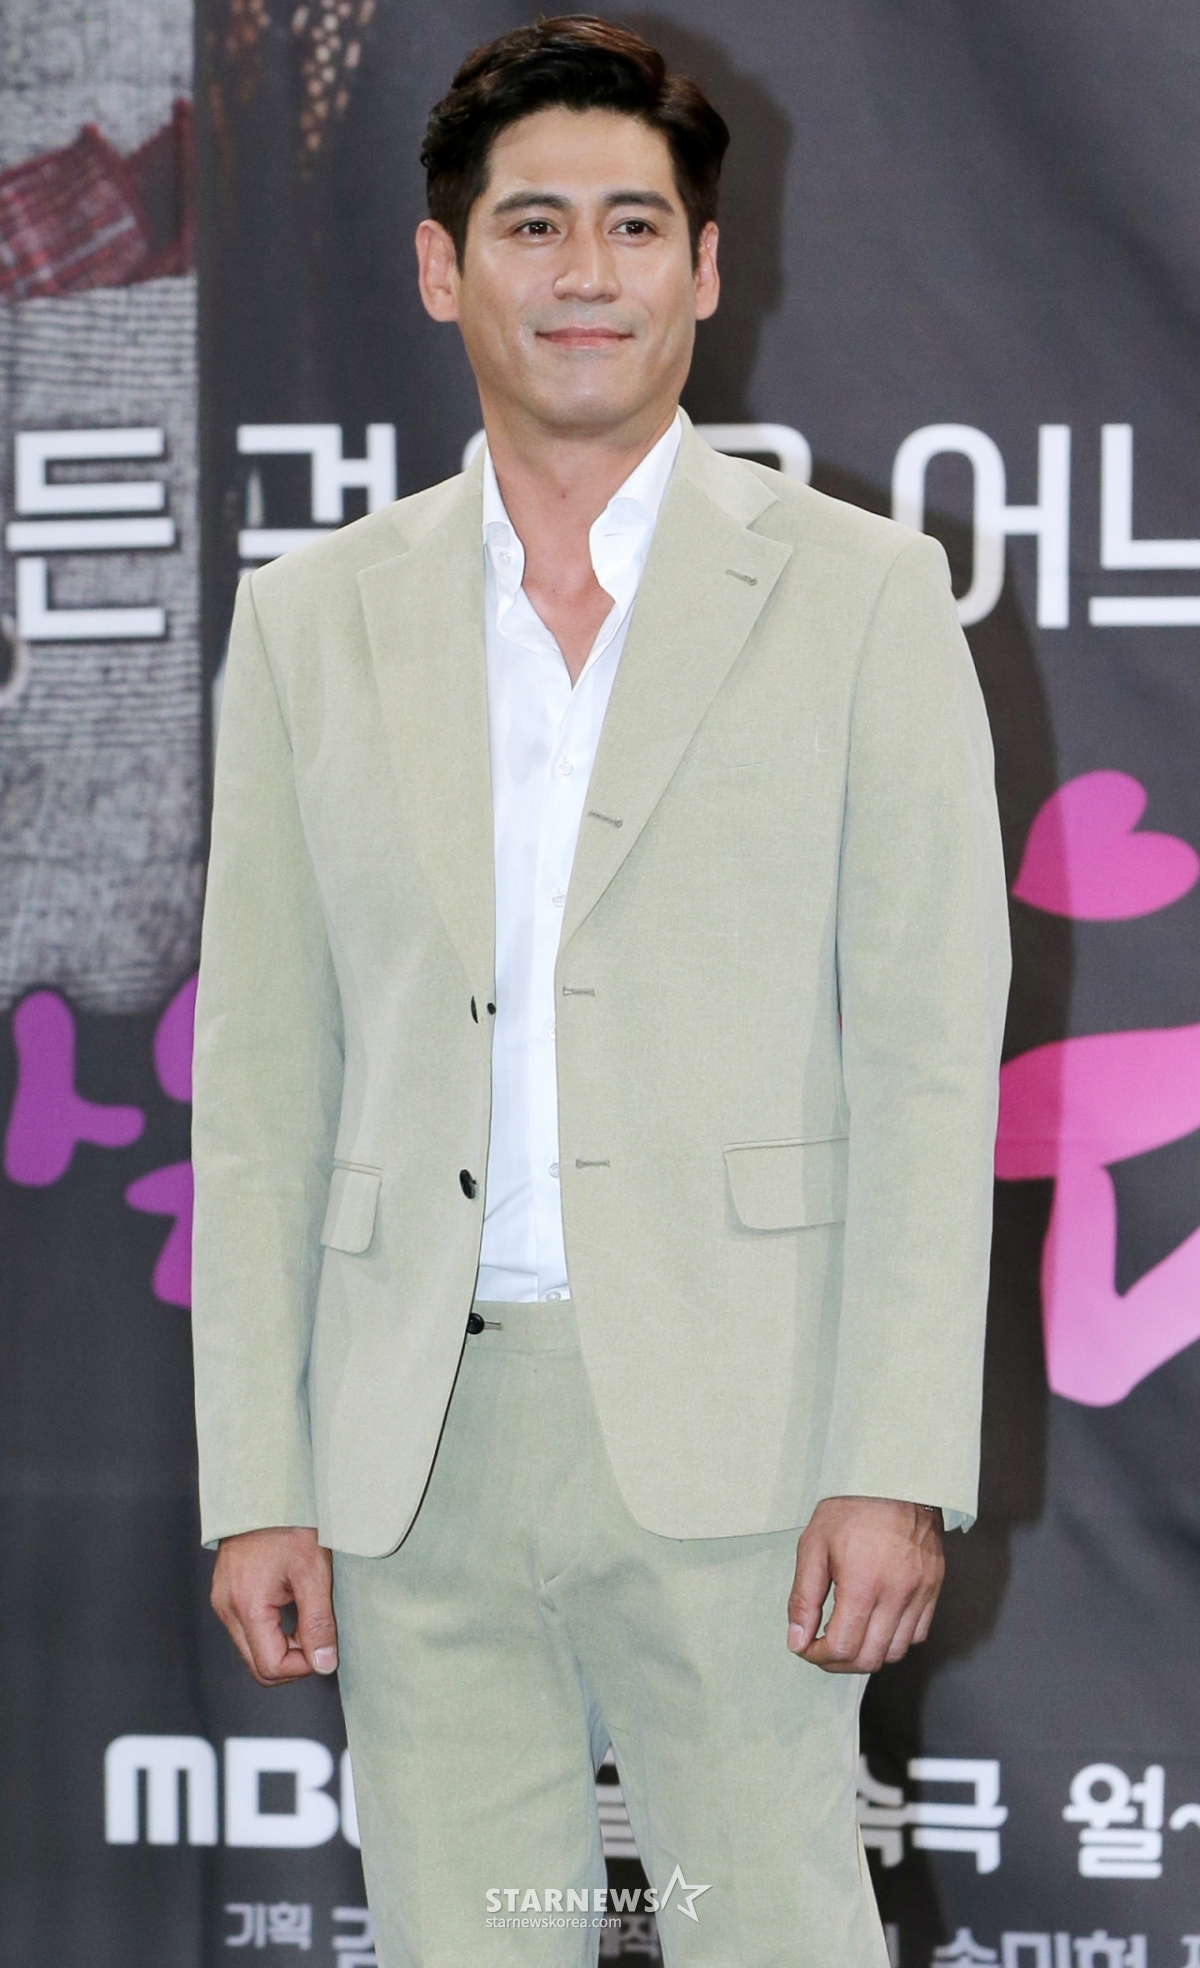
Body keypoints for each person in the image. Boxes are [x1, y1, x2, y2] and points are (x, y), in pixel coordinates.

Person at [191, 17, 1010, 1966]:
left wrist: (894, 1463)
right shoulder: (312, 621)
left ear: (706, 270)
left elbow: (925, 1061)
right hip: (414, 1447)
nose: (584, 273)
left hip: (747, 1433)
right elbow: (264, 1082)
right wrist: (260, 1482)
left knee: (777, 1935)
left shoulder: (863, 595)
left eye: (634, 226)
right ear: (440, 266)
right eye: (532, 224)